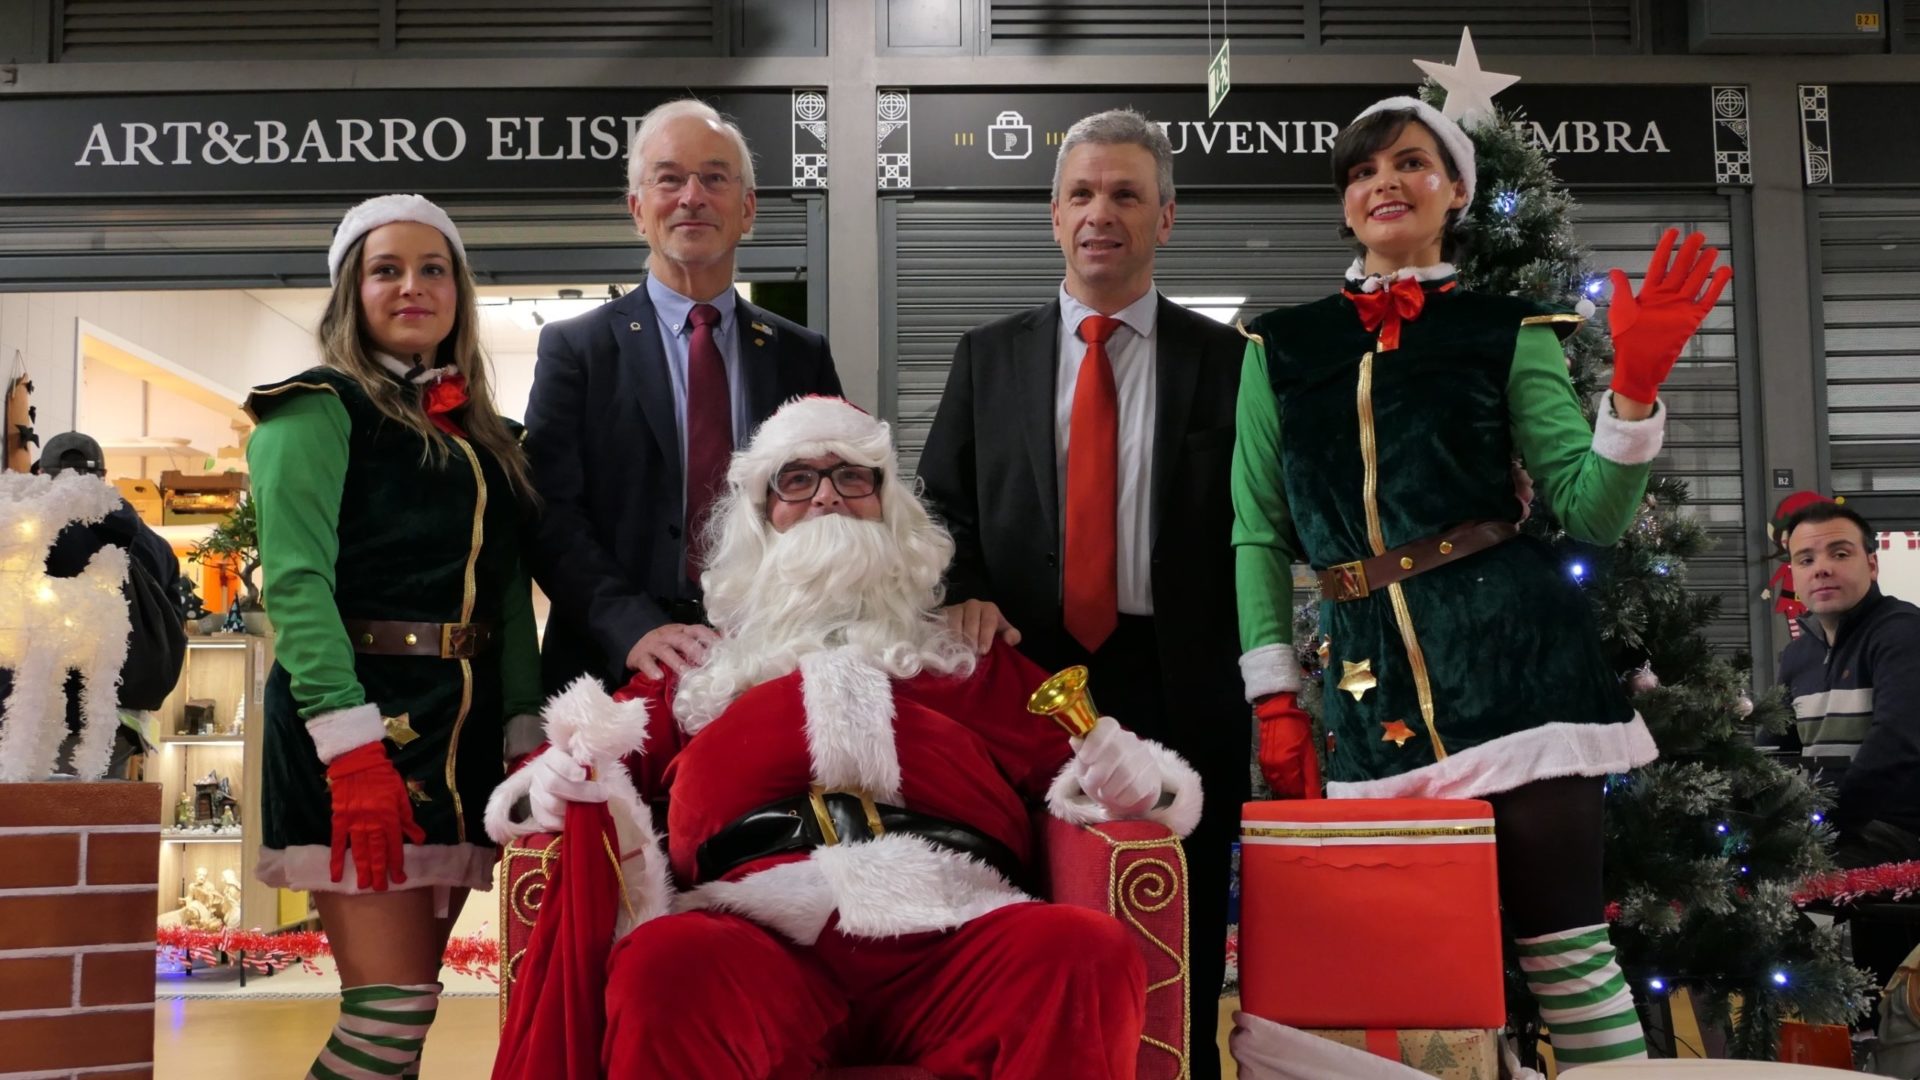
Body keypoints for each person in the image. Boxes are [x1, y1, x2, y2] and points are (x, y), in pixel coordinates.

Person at [488, 395, 1203, 1078]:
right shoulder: (696, 671)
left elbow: (1093, 764)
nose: (826, 497)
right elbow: (573, 766)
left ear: (891, 509)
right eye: (797, 480)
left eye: (851, 477)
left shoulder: (969, 655)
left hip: (957, 930)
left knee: (1080, 951)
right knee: (664, 963)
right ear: (762, 518)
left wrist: (1137, 783)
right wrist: (547, 787)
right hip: (754, 938)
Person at [1230, 96, 1728, 1068]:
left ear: (1455, 191)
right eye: (1364, 171)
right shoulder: (1277, 348)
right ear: (1344, 202)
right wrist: (1274, 691)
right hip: (1371, 693)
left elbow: (1589, 511)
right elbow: (1256, 531)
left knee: (1567, 954)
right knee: (1407, 968)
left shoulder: (1511, 329)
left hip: (1523, 670)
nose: (1385, 183)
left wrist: (1632, 397)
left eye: (1411, 164)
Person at [916, 109, 1247, 1076]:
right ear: (1053, 215)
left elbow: (1273, 511)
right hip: (1025, 681)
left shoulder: (1231, 363)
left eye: (1126, 194)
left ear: (1165, 218)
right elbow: (938, 510)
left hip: (1183, 681)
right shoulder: (988, 356)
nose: (1102, 212)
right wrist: (963, 591)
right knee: (1027, 913)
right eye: (1082, 193)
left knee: (1181, 923)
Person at [245, 194, 543, 1079]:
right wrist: (350, 752)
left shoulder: (487, 438)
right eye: (387, 269)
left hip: (460, 744)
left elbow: (508, 595)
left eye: (432, 268)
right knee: (389, 1018)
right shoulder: (314, 409)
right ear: (353, 290)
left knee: (410, 1015)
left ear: (459, 291)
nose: (412, 285)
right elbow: (296, 586)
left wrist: (524, 729)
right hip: (356, 734)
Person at [525, 97, 842, 695]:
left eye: (714, 178)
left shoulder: (802, 355)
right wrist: (632, 626)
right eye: (669, 179)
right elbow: (549, 514)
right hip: (613, 667)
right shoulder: (577, 351)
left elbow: (831, 505)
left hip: (771, 661)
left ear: (747, 209)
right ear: (637, 209)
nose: (692, 196)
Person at [2, 430, 186, 779]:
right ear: (103, 477)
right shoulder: (154, 545)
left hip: (31, 718)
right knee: (98, 808)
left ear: (42, 474)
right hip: (117, 717)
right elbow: (172, 627)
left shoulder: (29, 533)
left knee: (28, 810)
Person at [1776, 499, 1920, 869]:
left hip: (1896, 831)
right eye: (1806, 560)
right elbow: (1774, 750)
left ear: (1872, 565)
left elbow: (1896, 744)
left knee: (1782, 875)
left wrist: (1826, 823)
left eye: (1839, 554)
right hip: (1829, 827)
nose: (1821, 569)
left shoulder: (1903, 633)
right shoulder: (1796, 657)